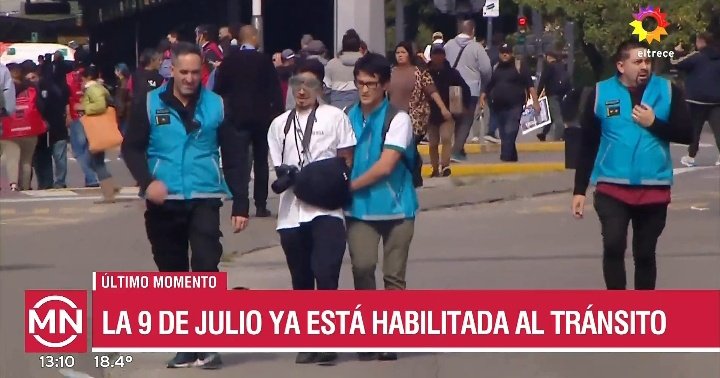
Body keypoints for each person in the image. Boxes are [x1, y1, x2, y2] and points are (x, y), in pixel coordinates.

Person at [122, 42, 249, 369]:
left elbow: (235, 155)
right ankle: (186, 344)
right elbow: (132, 148)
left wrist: (241, 203)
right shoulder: (149, 104)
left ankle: (207, 343)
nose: (191, 78)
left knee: (206, 269)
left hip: (205, 196)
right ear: (172, 71)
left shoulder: (218, 105)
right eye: (184, 72)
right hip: (164, 200)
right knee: (173, 275)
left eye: (196, 72)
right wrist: (147, 181)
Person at [572, 40, 692, 290]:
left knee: (645, 254)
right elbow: (588, 144)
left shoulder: (668, 91)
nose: (644, 66)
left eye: (647, 61)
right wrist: (579, 189)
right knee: (614, 245)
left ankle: (642, 314)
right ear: (620, 65)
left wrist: (654, 122)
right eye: (637, 62)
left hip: (654, 187)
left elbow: (686, 134)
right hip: (611, 187)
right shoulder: (600, 93)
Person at [267, 59, 356, 365]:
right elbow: (275, 167)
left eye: (309, 85)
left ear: (320, 88)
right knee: (302, 279)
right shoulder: (279, 124)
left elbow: (346, 160)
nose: (302, 91)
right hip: (291, 212)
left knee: (326, 272)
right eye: (297, 84)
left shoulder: (335, 117)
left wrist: (325, 183)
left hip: (327, 210)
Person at [345, 53, 419, 362]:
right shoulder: (346, 115)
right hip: (359, 210)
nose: (365, 90)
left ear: (385, 85)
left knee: (393, 276)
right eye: (360, 83)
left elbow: (386, 166)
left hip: (397, 207)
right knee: (362, 269)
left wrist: (344, 187)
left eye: (372, 84)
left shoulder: (397, 118)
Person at [214, 25, 284, 217]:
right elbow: (274, 89)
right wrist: (277, 112)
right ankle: (261, 204)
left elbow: (219, 89)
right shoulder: (264, 61)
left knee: (239, 162)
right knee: (261, 161)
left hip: (236, 118)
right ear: (253, 37)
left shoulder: (229, 61)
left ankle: (241, 203)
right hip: (261, 119)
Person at [480, 43, 540, 162]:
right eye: (503, 52)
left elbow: (530, 85)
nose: (505, 54)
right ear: (499, 54)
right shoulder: (496, 66)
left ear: (511, 53)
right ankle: (512, 156)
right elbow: (490, 84)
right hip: (498, 105)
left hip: (515, 104)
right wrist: (483, 96)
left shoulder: (519, 66)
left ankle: (506, 157)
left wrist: (536, 102)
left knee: (511, 129)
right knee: (503, 132)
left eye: (507, 52)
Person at [443, 20, 492, 162]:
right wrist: (484, 82)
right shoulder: (477, 47)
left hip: (453, 88)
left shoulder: (448, 45)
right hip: (471, 89)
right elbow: (486, 69)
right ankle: (456, 151)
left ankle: (459, 148)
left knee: (456, 118)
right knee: (466, 120)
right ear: (473, 31)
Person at [671, 31, 720, 167]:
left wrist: (678, 53)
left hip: (696, 100)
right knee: (718, 129)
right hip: (716, 100)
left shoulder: (697, 56)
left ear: (702, 42)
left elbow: (676, 63)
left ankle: (691, 156)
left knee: (694, 129)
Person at [426, 45, 470, 177]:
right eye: (435, 54)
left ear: (444, 56)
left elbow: (465, 89)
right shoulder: (426, 73)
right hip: (431, 114)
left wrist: (464, 106)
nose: (438, 57)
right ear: (431, 56)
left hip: (449, 113)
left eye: (440, 54)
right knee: (433, 143)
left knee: (446, 139)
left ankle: (445, 166)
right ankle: (434, 169)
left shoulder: (452, 73)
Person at [76, 66, 118, 203]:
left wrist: (84, 107)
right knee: (96, 161)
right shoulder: (99, 87)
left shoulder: (93, 89)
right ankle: (110, 187)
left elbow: (99, 105)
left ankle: (109, 193)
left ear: (87, 77)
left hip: (96, 129)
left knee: (92, 161)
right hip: (97, 129)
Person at [324, 30, 363, 109]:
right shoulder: (368, 63)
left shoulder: (331, 64)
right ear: (359, 46)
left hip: (337, 107)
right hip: (361, 107)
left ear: (343, 45)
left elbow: (326, 90)